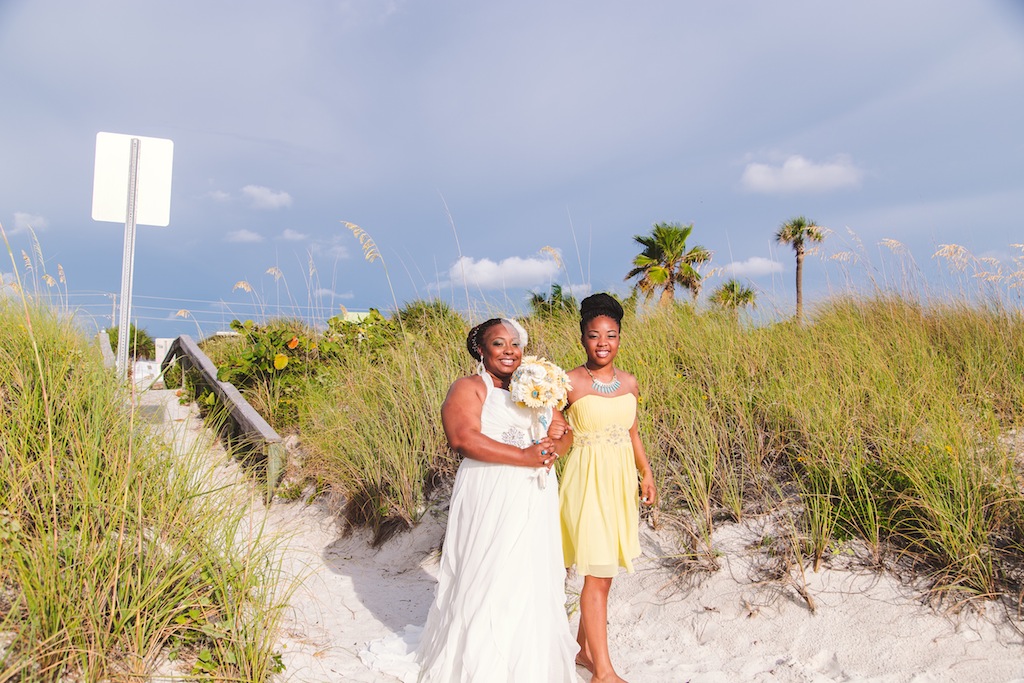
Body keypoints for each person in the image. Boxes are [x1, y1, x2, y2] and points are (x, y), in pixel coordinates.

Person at [415, 317, 580, 682]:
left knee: (530, 573)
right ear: (481, 349)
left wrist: (556, 443)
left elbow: (564, 433)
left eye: (515, 344)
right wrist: (523, 456)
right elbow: (463, 439)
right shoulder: (470, 387)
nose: (510, 352)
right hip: (491, 489)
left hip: (535, 493)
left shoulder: (536, 383)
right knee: (490, 570)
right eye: (499, 344)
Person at [558, 293, 657, 683]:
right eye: (594, 335)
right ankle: (603, 671)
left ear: (620, 338)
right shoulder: (568, 382)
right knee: (596, 577)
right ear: (582, 337)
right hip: (586, 483)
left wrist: (645, 473)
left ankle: (584, 651)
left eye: (611, 335)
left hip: (619, 486)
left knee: (605, 575)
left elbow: (633, 434)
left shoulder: (630, 382)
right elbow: (554, 434)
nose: (603, 342)